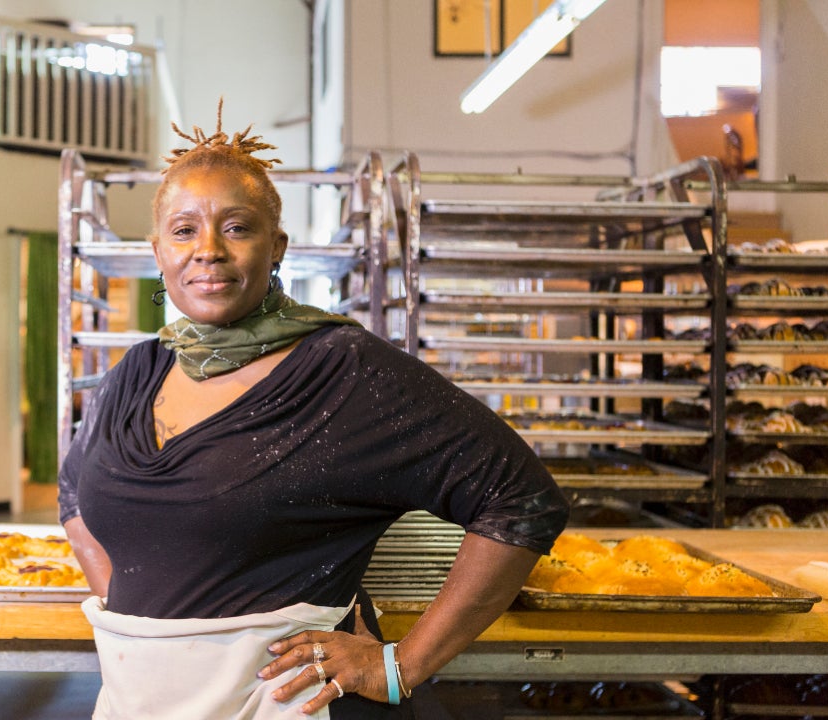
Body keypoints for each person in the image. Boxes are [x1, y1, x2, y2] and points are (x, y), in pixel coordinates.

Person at [58, 101, 570, 719]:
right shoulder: (136, 373)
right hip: (140, 700)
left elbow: (520, 499)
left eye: (237, 227)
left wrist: (401, 664)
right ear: (158, 251)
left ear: (277, 247)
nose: (209, 250)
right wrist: (150, 627)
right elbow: (74, 496)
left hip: (288, 704)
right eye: (185, 229)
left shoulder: (345, 371)